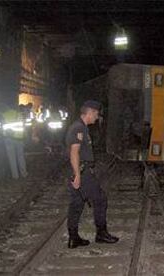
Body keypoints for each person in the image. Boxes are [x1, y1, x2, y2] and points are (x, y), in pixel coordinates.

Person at [65, 100, 119, 249]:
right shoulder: (78, 128)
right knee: (100, 200)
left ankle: (73, 238)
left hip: (79, 170)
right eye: (96, 113)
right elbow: (74, 152)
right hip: (82, 172)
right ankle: (101, 234)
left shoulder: (81, 127)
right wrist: (78, 175)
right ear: (89, 112)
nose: (97, 116)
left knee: (77, 204)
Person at [2, 105, 27, 179]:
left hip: (8, 138)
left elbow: (2, 127)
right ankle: (24, 173)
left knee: (12, 158)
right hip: (19, 138)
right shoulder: (19, 114)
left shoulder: (4, 115)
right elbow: (23, 126)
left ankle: (15, 176)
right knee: (20, 156)